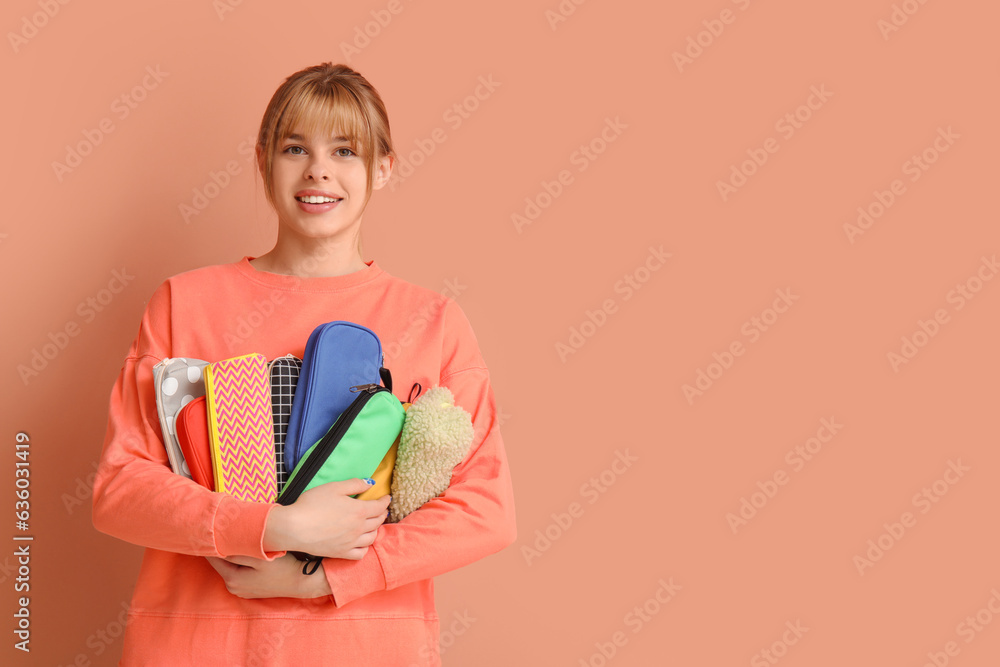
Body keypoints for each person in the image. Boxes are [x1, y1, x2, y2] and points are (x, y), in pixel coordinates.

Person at [91, 62, 517, 666]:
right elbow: (120, 489)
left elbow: (485, 511)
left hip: (368, 648)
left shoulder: (435, 321)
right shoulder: (183, 303)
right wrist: (275, 527)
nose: (319, 169)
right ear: (264, 160)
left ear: (383, 168)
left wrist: (324, 579)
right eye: (296, 147)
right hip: (196, 645)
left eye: (346, 150)